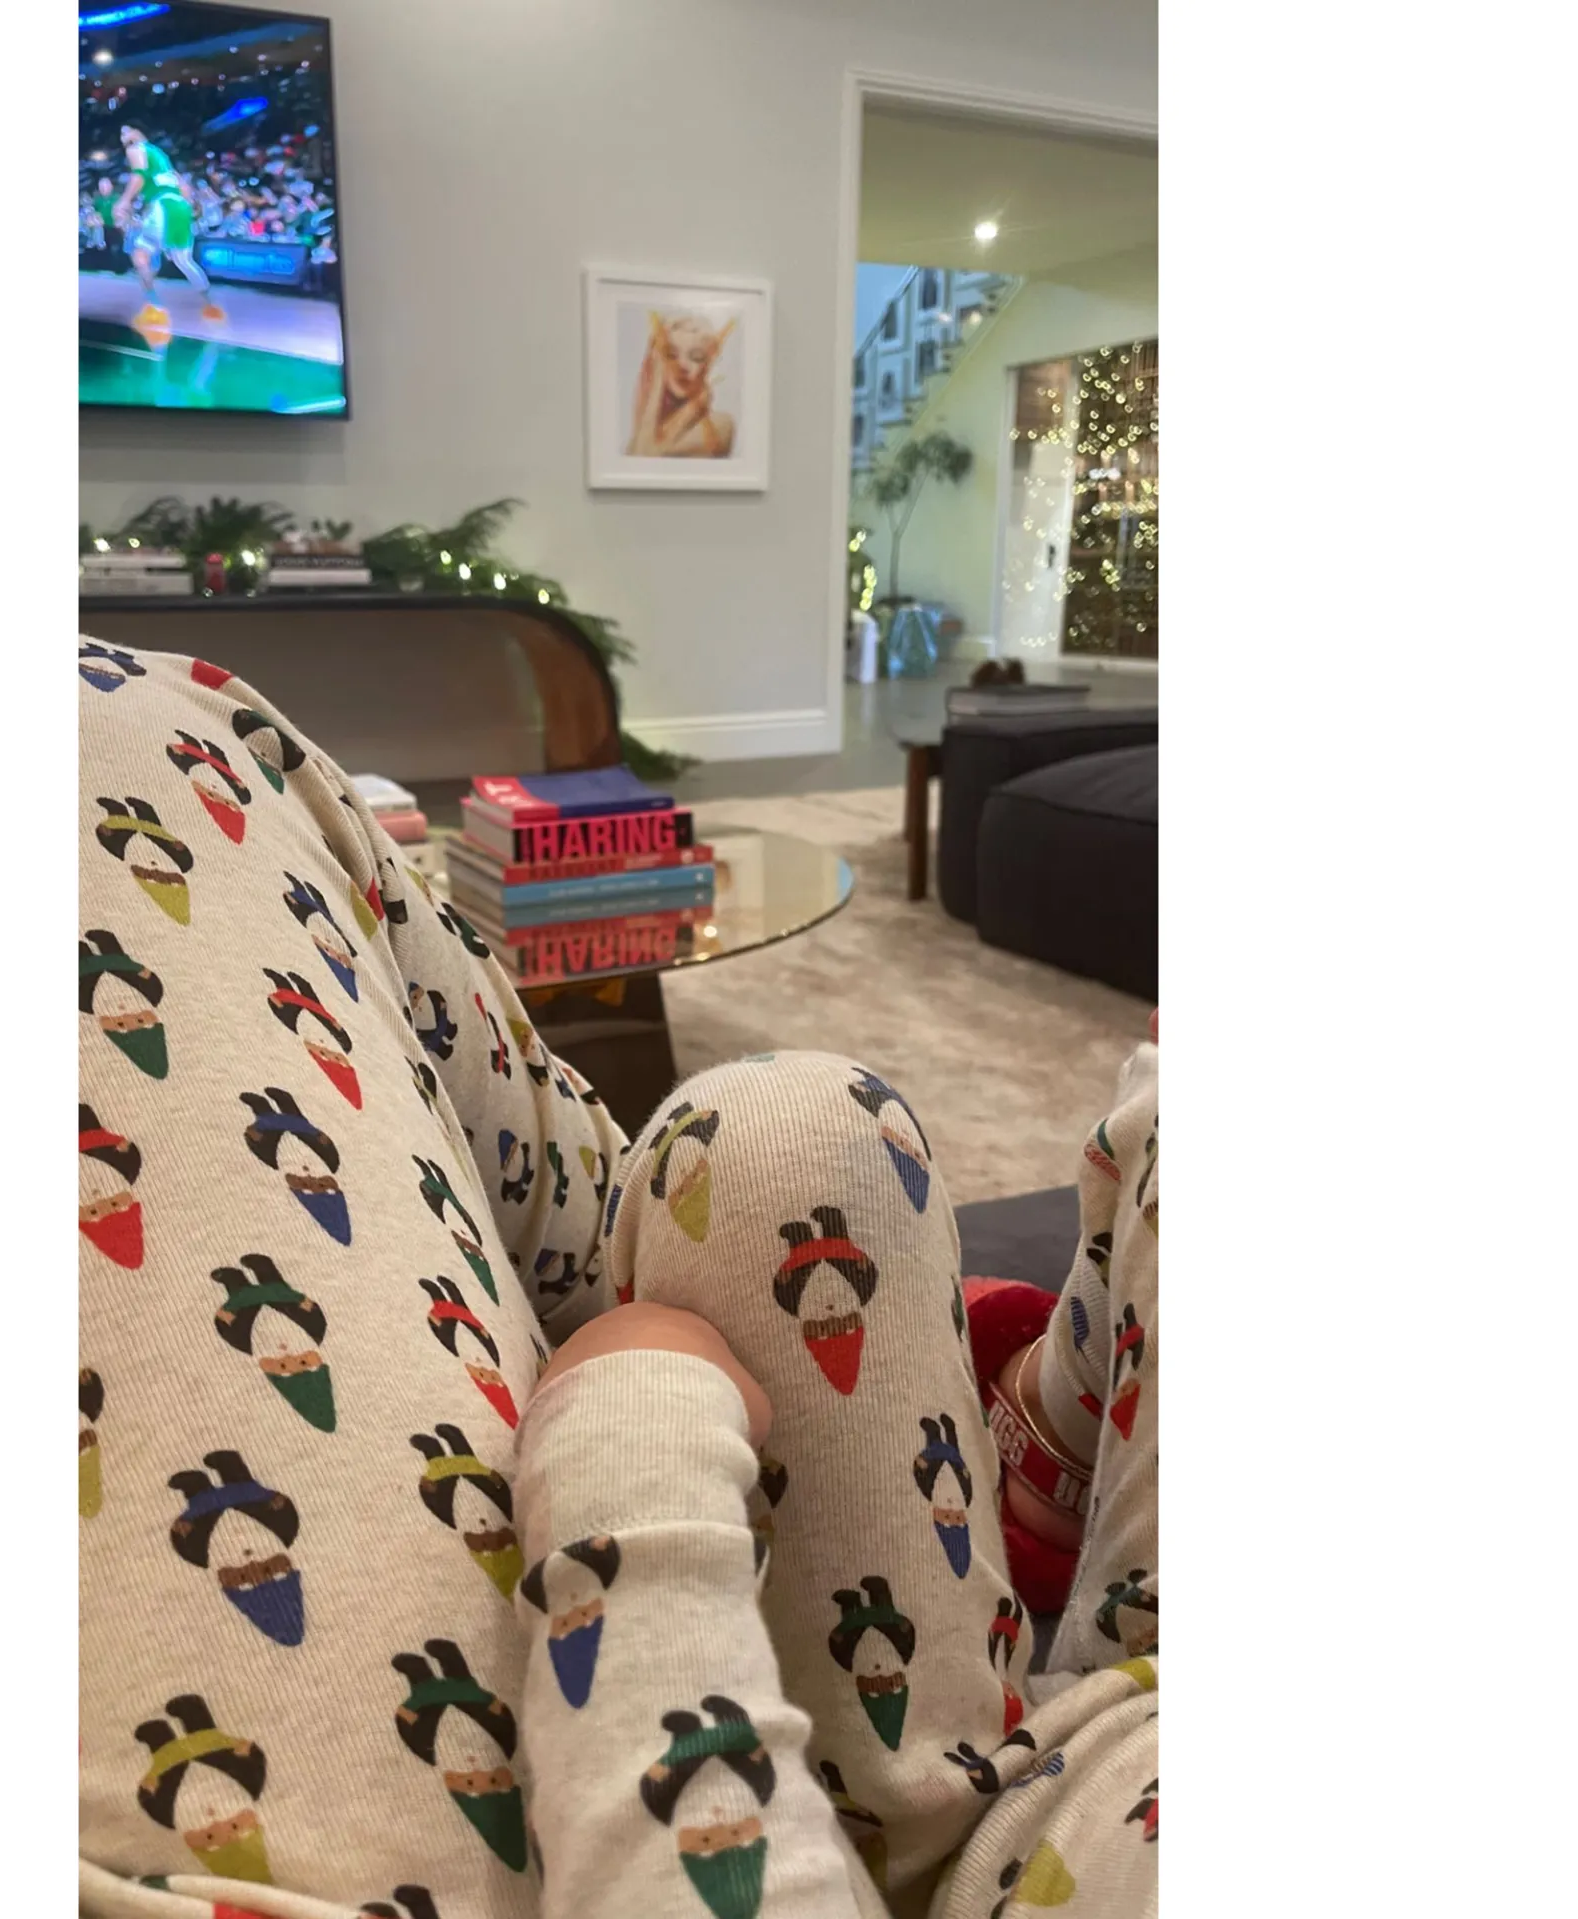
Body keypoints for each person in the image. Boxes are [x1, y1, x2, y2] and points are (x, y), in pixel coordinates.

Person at [78, 644, 1157, 1918]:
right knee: (786, 1137)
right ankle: (1051, 1431)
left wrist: (631, 1471)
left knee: (112, 725)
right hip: (1081, 1775)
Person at [111, 124, 226, 335]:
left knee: (140, 256)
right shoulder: (161, 155)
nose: (123, 136)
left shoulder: (136, 149)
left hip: (162, 206)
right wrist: (189, 207)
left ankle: (154, 309)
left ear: (138, 132)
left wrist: (124, 200)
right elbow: (184, 186)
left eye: (126, 131)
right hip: (180, 208)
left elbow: (138, 176)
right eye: (121, 133)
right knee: (184, 261)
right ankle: (212, 307)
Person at [628, 311, 738, 458]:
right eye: (671, 355)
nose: (682, 365)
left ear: (706, 366)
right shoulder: (644, 430)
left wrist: (693, 407)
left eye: (696, 357)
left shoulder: (720, 425)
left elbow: (644, 454)